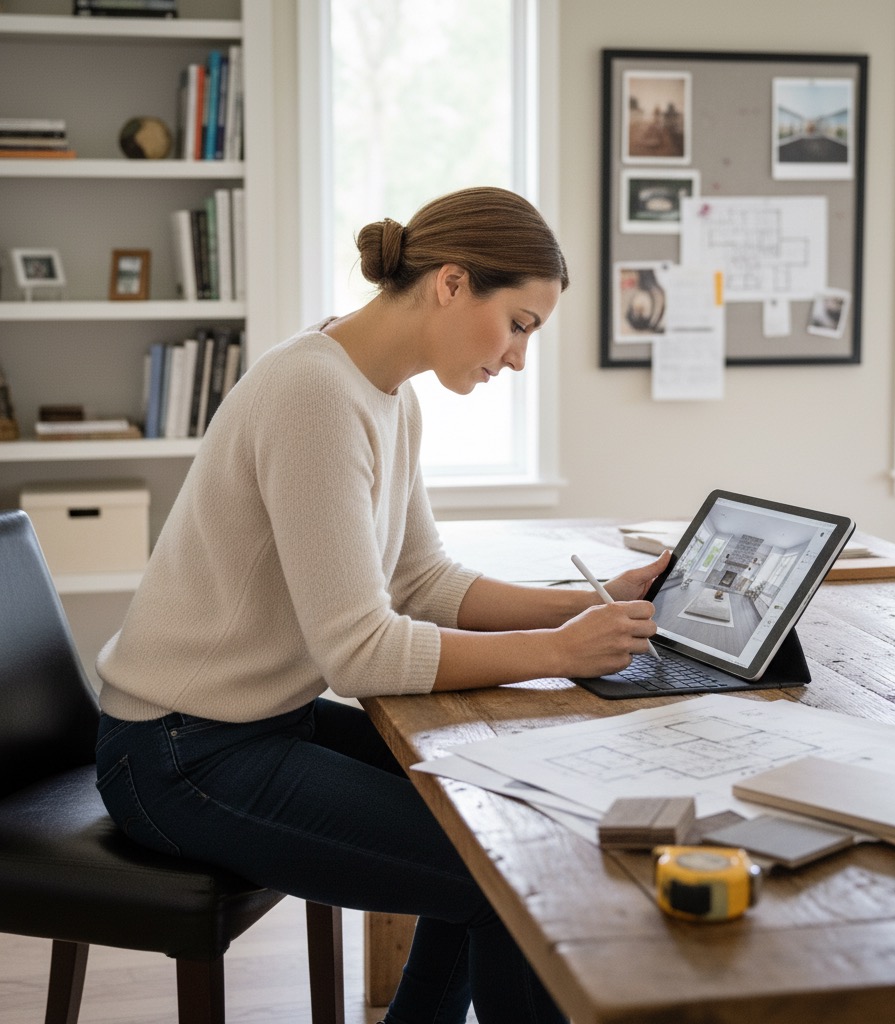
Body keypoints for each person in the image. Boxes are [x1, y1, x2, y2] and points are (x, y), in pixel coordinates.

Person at [94, 186, 667, 1024]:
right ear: (450, 283)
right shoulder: (314, 394)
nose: (516, 358)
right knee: (506, 875)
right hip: (178, 754)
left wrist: (586, 605)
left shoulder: (384, 394)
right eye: (519, 324)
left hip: (246, 726)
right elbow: (359, 653)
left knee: (500, 828)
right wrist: (559, 652)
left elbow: (422, 581)